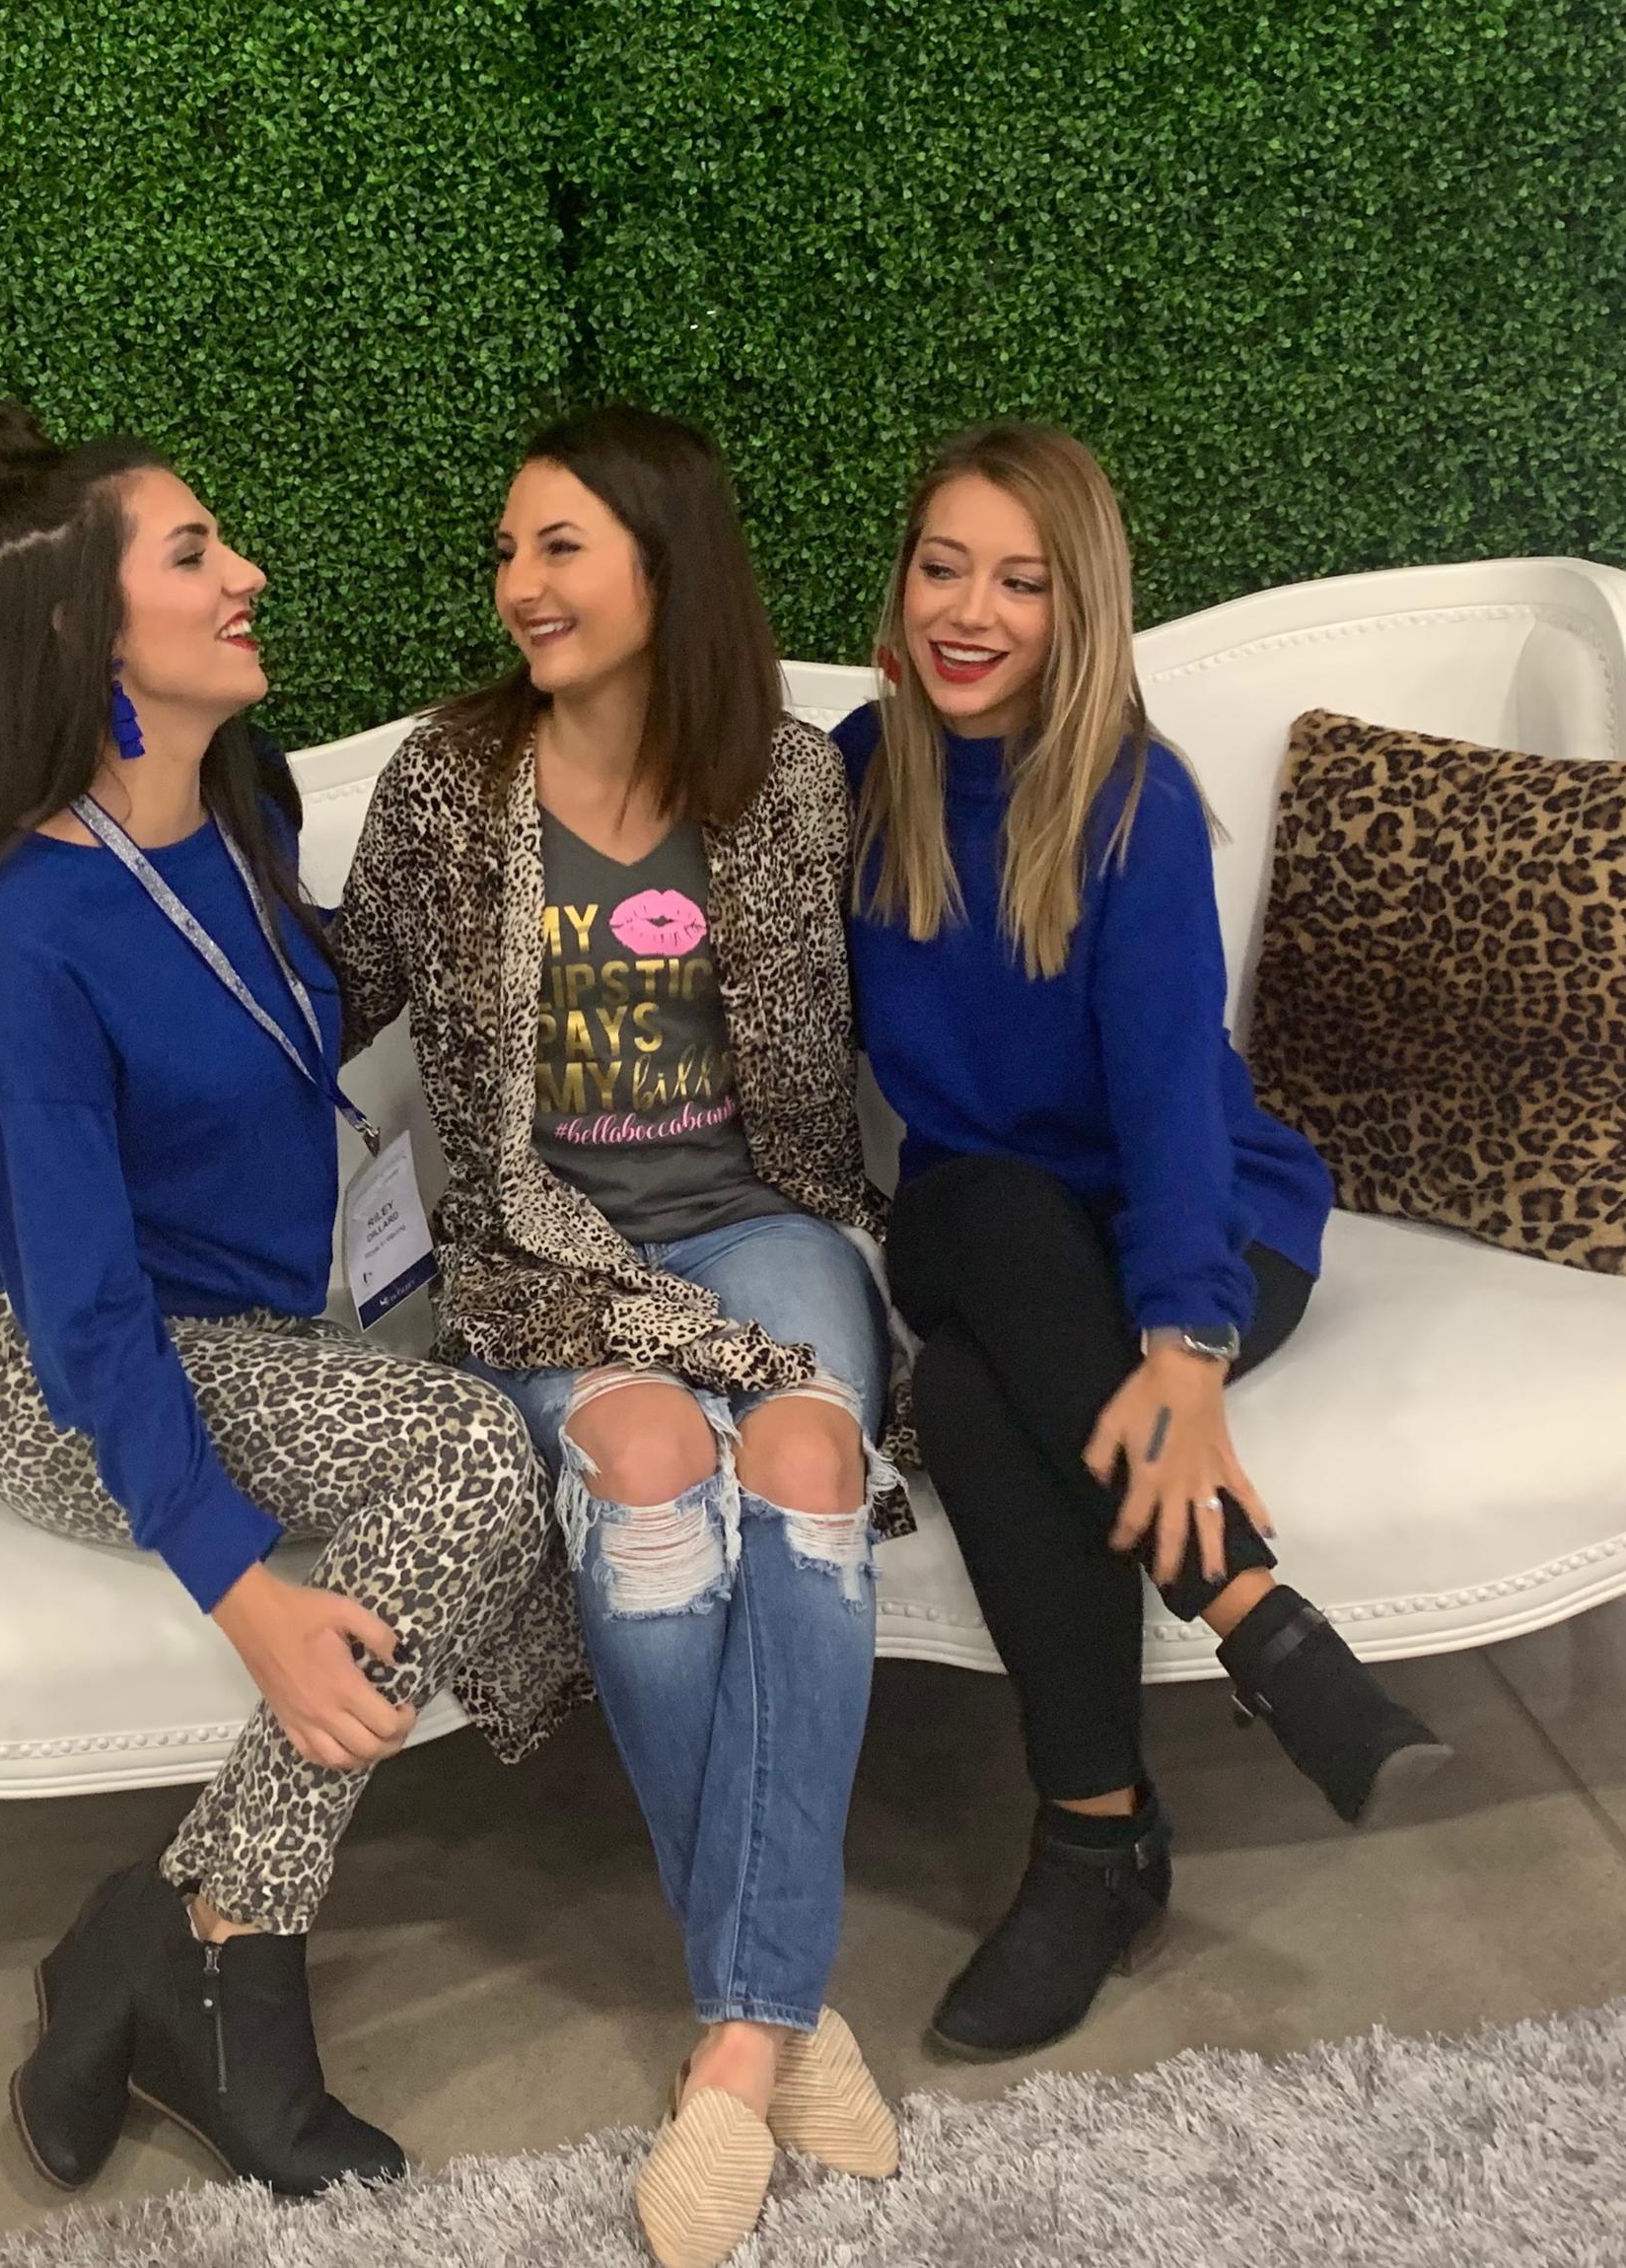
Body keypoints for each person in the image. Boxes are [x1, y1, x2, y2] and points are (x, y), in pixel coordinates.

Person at [0, 401, 583, 2198]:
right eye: (195, 554)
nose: (247, 575)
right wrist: (239, 1589)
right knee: (473, 1457)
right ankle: (229, 1952)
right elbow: (86, 1311)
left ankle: (161, 1925)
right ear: (83, 629)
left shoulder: (246, 807)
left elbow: (288, 1021)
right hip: (71, 1373)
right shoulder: (23, 936)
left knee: (531, 1437)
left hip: (271, 1333)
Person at [336, 406, 901, 2268]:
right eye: (508, 551)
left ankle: (731, 2043)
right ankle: (777, 2021)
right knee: (650, 1469)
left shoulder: (791, 782)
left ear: (667, 560)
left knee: (807, 1459)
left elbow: (936, 956)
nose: (519, 585)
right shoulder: (447, 787)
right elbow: (326, 995)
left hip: (767, 1219)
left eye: (559, 546)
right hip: (544, 1248)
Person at [837, 421, 1452, 2063]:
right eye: (943, 568)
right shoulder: (859, 774)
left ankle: (1094, 1848)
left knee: (972, 1395)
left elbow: (1176, 1097)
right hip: (991, 1227)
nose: (972, 611)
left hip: (1204, 1226)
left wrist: (1186, 1350)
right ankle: (1256, 1619)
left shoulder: (1134, 802)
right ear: (901, 587)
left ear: (1080, 608)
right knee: (979, 1202)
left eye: (1021, 582)